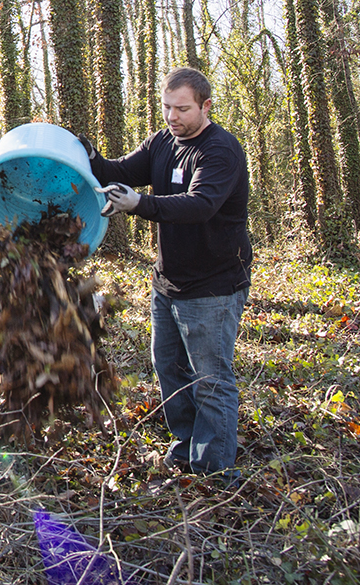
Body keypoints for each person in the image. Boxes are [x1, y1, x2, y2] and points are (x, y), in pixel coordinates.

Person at [85, 67, 251, 482]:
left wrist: (140, 205)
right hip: (168, 281)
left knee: (211, 378)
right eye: (167, 108)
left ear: (205, 106)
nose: (173, 117)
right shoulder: (162, 142)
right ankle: (184, 449)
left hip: (212, 284)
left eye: (182, 109)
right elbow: (120, 172)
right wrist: (89, 158)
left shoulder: (220, 151)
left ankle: (214, 472)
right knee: (170, 368)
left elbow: (200, 205)